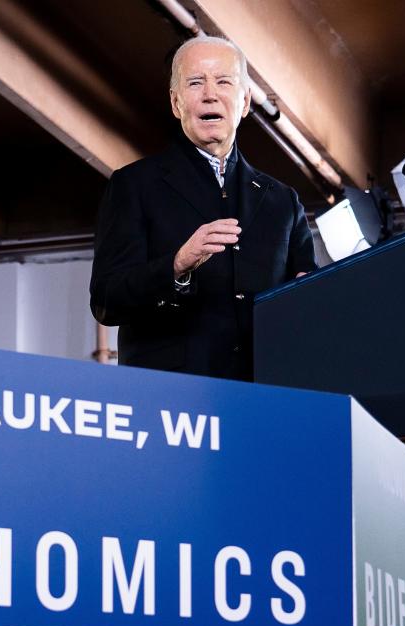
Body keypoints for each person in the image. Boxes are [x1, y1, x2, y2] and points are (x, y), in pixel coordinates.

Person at [89, 35, 316, 381]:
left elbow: (306, 295)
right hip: (173, 403)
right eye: (196, 82)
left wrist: (310, 296)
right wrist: (177, 265)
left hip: (264, 399)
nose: (210, 94)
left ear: (244, 102)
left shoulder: (282, 201)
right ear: (176, 103)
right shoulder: (135, 185)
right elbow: (107, 299)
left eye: (224, 81)